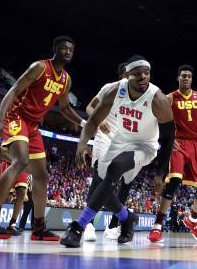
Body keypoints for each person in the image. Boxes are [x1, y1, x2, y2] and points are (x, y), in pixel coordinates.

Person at [0, 36, 86, 240]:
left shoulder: (66, 79)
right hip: (16, 116)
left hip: (34, 126)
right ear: (54, 50)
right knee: (20, 161)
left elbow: (64, 108)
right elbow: (14, 89)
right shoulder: (39, 67)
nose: (67, 52)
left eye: (70, 50)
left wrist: (84, 124)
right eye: (63, 48)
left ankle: (38, 227)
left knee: (42, 176)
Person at [60, 55, 175, 247]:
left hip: (144, 145)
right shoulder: (115, 90)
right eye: (137, 74)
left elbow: (168, 137)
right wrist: (82, 144)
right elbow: (94, 119)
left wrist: (160, 173)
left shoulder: (158, 98)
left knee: (116, 167)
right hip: (119, 140)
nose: (143, 77)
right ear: (126, 76)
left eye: (147, 73)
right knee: (100, 187)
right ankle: (127, 217)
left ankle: (78, 227)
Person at [148, 64, 197, 243]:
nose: (186, 78)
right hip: (179, 143)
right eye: (183, 76)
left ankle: (192, 221)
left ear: (192, 79)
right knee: (174, 182)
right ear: (178, 78)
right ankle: (157, 226)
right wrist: (169, 138)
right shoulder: (170, 98)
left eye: (189, 76)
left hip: (196, 144)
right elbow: (161, 120)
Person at [83, 62, 128, 241]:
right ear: (121, 74)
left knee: (116, 184)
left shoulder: (140, 97)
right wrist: (99, 121)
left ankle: (113, 227)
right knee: (99, 178)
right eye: (127, 73)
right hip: (104, 135)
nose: (131, 76)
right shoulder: (109, 88)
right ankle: (87, 224)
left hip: (123, 141)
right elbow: (89, 107)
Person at [0, 146, 30, 235]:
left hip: (23, 165)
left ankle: (12, 225)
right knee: (7, 197)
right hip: (10, 162)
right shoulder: (10, 134)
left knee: (22, 193)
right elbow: (2, 154)